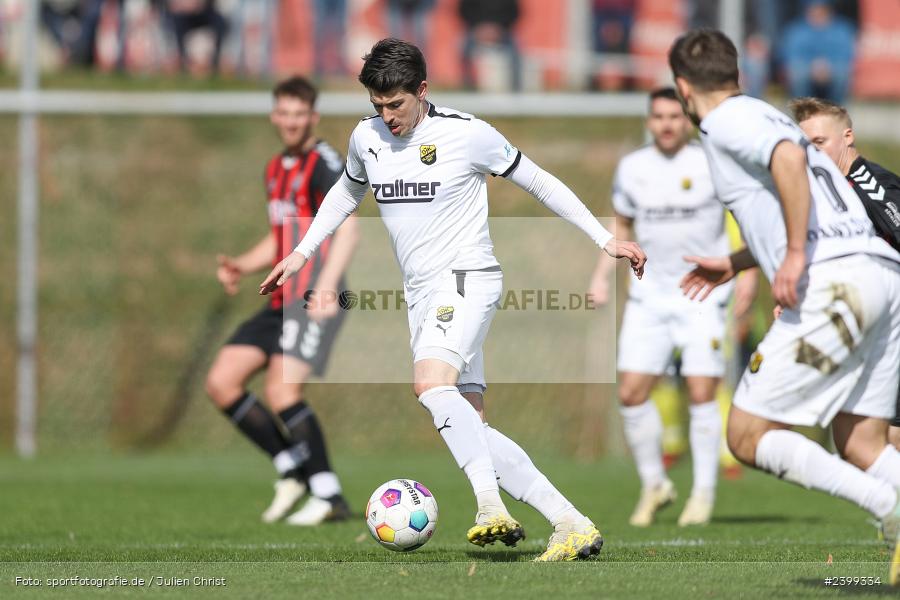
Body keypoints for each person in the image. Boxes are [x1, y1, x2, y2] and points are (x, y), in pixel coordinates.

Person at [259, 38, 646, 561]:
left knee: (429, 383)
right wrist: (303, 252)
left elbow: (539, 182)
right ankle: (569, 522)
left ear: (421, 90)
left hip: (467, 279)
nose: (386, 115)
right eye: (377, 105)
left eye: (395, 103)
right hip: (422, 295)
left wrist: (604, 239)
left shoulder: (467, 134)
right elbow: (348, 191)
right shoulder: (366, 138)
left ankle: (489, 505)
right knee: (469, 421)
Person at [669, 29, 900, 585]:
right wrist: (741, 259)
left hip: (833, 281)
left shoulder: (730, 120)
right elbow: (807, 194)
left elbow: (786, 163)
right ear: (738, 76)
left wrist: (793, 256)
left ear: (681, 88)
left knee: (746, 433)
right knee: (861, 440)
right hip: (880, 275)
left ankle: (891, 513)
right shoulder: (764, 113)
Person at [589, 87, 752, 527]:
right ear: (649, 120)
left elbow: (746, 216)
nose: (665, 124)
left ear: (687, 121)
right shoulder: (633, 167)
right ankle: (655, 483)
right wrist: (601, 277)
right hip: (649, 295)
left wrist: (748, 276)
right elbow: (621, 222)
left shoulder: (711, 162)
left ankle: (702, 494)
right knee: (630, 394)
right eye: (658, 116)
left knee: (701, 392)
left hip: (703, 294)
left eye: (674, 116)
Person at [205, 76, 358, 526]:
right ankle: (291, 470)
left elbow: (348, 228)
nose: (291, 122)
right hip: (279, 299)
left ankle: (328, 495)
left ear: (313, 117)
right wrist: (240, 265)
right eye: (284, 113)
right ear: (274, 115)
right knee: (222, 382)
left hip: (314, 296)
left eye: (299, 114)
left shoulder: (324, 163)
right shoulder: (276, 167)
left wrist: (328, 285)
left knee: (282, 392)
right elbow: (281, 242)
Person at [790, 96, 900, 452]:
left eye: (820, 143)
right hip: (863, 320)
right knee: (854, 437)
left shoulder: (870, 186)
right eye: (806, 145)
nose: (813, 153)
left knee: (877, 437)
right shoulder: (828, 192)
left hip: (890, 322)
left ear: (847, 136)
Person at [780, 0, 856, 104]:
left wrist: (827, 66)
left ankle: (835, 112)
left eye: (821, 9)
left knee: (842, 72)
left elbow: (847, 54)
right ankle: (802, 112)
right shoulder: (796, 29)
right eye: (813, 9)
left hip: (832, 68)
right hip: (807, 68)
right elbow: (790, 55)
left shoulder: (842, 28)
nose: (817, 13)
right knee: (797, 73)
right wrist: (813, 66)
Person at [459, 0, 521, 91]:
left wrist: (498, 29)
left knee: (515, 53)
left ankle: (515, 88)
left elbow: (514, 12)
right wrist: (479, 28)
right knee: (463, 49)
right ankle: (468, 86)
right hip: (476, 30)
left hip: (501, 31)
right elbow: (463, 11)